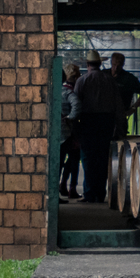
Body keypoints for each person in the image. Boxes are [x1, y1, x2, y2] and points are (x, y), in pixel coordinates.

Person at [73, 50, 121, 203]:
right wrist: (119, 125)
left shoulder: (82, 81)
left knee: (88, 159)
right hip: (106, 122)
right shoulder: (110, 80)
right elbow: (118, 105)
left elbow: (76, 105)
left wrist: (75, 127)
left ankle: (89, 193)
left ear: (87, 64)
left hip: (88, 122)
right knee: (102, 158)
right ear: (100, 64)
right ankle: (100, 194)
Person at [110, 52, 140, 138]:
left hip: (120, 117)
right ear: (111, 62)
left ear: (123, 64)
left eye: (119, 65)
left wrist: (133, 108)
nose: (116, 68)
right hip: (105, 116)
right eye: (114, 65)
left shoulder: (129, 78)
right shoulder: (104, 75)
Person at [59, 64, 82, 201]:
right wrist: (71, 117)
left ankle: (62, 186)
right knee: (73, 158)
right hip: (70, 131)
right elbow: (77, 105)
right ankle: (71, 187)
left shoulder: (55, 91)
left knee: (60, 162)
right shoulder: (69, 92)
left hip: (59, 133)